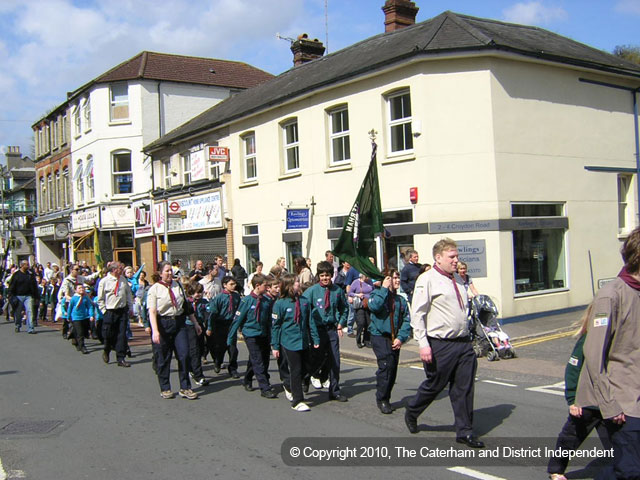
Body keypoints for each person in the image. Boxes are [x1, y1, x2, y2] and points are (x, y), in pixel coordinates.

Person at [404, 238, 484, 448]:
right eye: (452, 257)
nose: (456, 260)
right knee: (435, 385)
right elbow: (418, 314)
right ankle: (412, 411)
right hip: (440, 343)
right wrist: (423, 344)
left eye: (457, 256)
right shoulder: (427, 279)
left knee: (464, 388)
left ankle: (465, 431)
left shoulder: (458, 279)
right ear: (438, 258)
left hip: (463, 343)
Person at [577, 227, 640, 480]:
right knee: (629, 471)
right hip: (623, 402)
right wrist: (609, 405)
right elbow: (593, 355)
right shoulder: (611, 295)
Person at [547, 303, 610, 480]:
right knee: (570, 438)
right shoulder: (588, 339)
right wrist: (573, 399)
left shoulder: (618, 341)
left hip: (609, 403)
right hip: (587, 402)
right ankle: (556, 470)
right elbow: (573, 369)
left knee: (621, 444)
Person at [148, 261, 201, 400]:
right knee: (163, 357)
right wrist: (155, 331)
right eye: (167, 271)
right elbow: (152, 311)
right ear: (160, 273)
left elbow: (186, 306)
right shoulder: (154, 289)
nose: (170, 273)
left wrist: (195, 323)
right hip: (163, 323)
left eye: (171, 270)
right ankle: (165, 387)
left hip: (179, 322)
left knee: (184, 355)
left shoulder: (177, 286)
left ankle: (185, 387)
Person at [271, 273, 320, 412]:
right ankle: (297, 400)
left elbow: (310, 321)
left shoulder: (304, 301)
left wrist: (315, 338)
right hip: (289, 342)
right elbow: (275, 326)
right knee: (296, 370)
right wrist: (274, 346)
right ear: (289, 286)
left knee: (308, 368)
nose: (299, 283)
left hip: (304, 340)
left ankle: (288, 384)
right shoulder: (280, 304)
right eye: (296, 282)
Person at [367, 269, 412, 414]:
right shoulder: (377, 294)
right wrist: (384, 289)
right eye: (394, 278)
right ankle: (382, 399)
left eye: (398, 278)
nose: (397, 281)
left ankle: (386, 394)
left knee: (392, 369)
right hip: (379, 336)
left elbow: (406, 320)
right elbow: (374, 306)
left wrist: (401, 338)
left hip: (394, 339)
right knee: (386, 366)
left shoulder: (401, 300)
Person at [303, 261, 348, 402]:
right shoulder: (311, 291)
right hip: (316, 330)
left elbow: (344, 308)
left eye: (327, 276)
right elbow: (304, 309)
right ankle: (306, 377)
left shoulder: (337, 291)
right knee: (316, 359)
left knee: (335, 360)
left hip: (331, 329)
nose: (325, 278)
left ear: (331, 276)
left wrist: (341, 323)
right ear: (318, 276)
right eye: (322, 276)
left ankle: (334, 390)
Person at [227, 273, 277, 398]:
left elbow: (270, 320)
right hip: (251, 334)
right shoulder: (247, 301)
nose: (267, 288)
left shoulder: (266, 301)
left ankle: (248, 378)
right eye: (265, 286)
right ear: (257, 285)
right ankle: (264, 387)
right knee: (257, 360)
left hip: (263, 334)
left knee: (261, 360)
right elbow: (237, 319)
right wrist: (230, 338)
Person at [97, 262, 133, 367]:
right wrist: (104, 311)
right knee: (108, 334)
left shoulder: (123, 280)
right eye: (119, 268)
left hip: (122, 311)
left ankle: (120, 358)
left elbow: (128, 294)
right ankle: (106, 349)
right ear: (113, 270)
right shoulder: (104, 281)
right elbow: (100, 299)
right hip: (110, 311)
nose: (121, 270)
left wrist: (130, 307)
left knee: (121, 335)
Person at [206, 276, 241, 378]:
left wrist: (239, 325)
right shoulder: (219, 298)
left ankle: (233, 368)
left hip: (231, 324)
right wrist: (210, 327)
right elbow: (213, 314)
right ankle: (218, 362)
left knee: (233, 348)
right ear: (224, 285)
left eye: (234, 284)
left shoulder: (236, 296)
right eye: (231, 284)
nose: (233, 286)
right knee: (221, 347)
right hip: (220, 324)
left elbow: (239, 310)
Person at [8, 260, 38, 334]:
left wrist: (36, 296)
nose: (28, 266)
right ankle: (18, 325)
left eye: (28, 264)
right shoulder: (16, 275)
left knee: (30, 311)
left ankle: (30, 328)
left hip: (28, 296)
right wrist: (10, 295)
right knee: (18, 313)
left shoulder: (30, 275)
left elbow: (34, 286)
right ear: (22, 265)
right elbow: (12, 285)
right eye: (26, 265)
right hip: (18, 296)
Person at [66, 283, 95, 354]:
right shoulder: (74, 298)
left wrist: (91, 315)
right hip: (76, 317)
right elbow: (70, 308)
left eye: (82, 288)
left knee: (84, 330)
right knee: (80, 332)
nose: (81, 289)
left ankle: (76, 340)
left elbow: (90, 306)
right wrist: (68, 316)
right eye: (79, 288)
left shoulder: (85, 297)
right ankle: (82, 346)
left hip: (84, 317)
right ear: (76, 290)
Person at [348, 272, 374, 348]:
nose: (367, 278)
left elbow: (373, 291)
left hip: (368, 305)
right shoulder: (356, 282)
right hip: (360, 305)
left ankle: (366, 340)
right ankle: (358, 340)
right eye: (366, 276)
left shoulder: (370, 282)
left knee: (368, 324)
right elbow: (350, 293)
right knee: (361, 323)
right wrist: (357, 295)